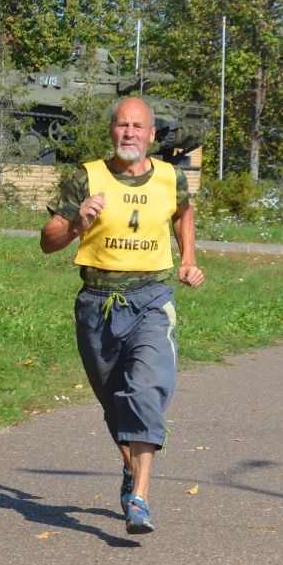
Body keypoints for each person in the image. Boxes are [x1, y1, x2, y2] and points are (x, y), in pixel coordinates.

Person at [40, 97, 205, 535]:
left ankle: (140, 499)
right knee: (116, 404)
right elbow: (47, 240)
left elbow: (183, 214)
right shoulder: (87, 178)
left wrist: (187, 257)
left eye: (138, 126)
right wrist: (77, 222)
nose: (129, 133)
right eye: (122, 125)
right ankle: (132, 466)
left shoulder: (171, 177)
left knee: (145, 388)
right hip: (97, 304)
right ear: (111, 131)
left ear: (152, 135)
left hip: (152, 298)